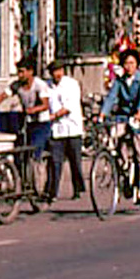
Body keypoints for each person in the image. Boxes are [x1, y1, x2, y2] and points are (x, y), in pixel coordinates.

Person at [100, 48, 140, 211]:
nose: (129, 66)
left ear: (137, 65)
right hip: (124, 117)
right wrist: (103, 113)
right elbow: (111, 97)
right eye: (126, 63)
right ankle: (123, 166)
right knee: (114, 138)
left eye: (132, 63)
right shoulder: (120, 80)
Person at [0, 60, 51, 157]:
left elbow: (45, 105)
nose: (20, 75)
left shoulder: (40, 85)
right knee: (22, 151)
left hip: (41, 123)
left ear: (30, 72)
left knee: (35, 152)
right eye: (18, 72)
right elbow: (1, 97)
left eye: (22, 72)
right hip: (28, 122)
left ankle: (36, 169)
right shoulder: (17, 85)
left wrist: (33, 110)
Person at [45, 60, 86, 201]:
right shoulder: (48, 86)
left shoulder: (71, 84)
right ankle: (52, 192)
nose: (57, 74)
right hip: (56, 130)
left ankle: (78, 189)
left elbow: (69, 106)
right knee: (55, 162)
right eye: (54, 71)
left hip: (72, 128)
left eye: (59, 71)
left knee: (75, 161)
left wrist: (53, 115)